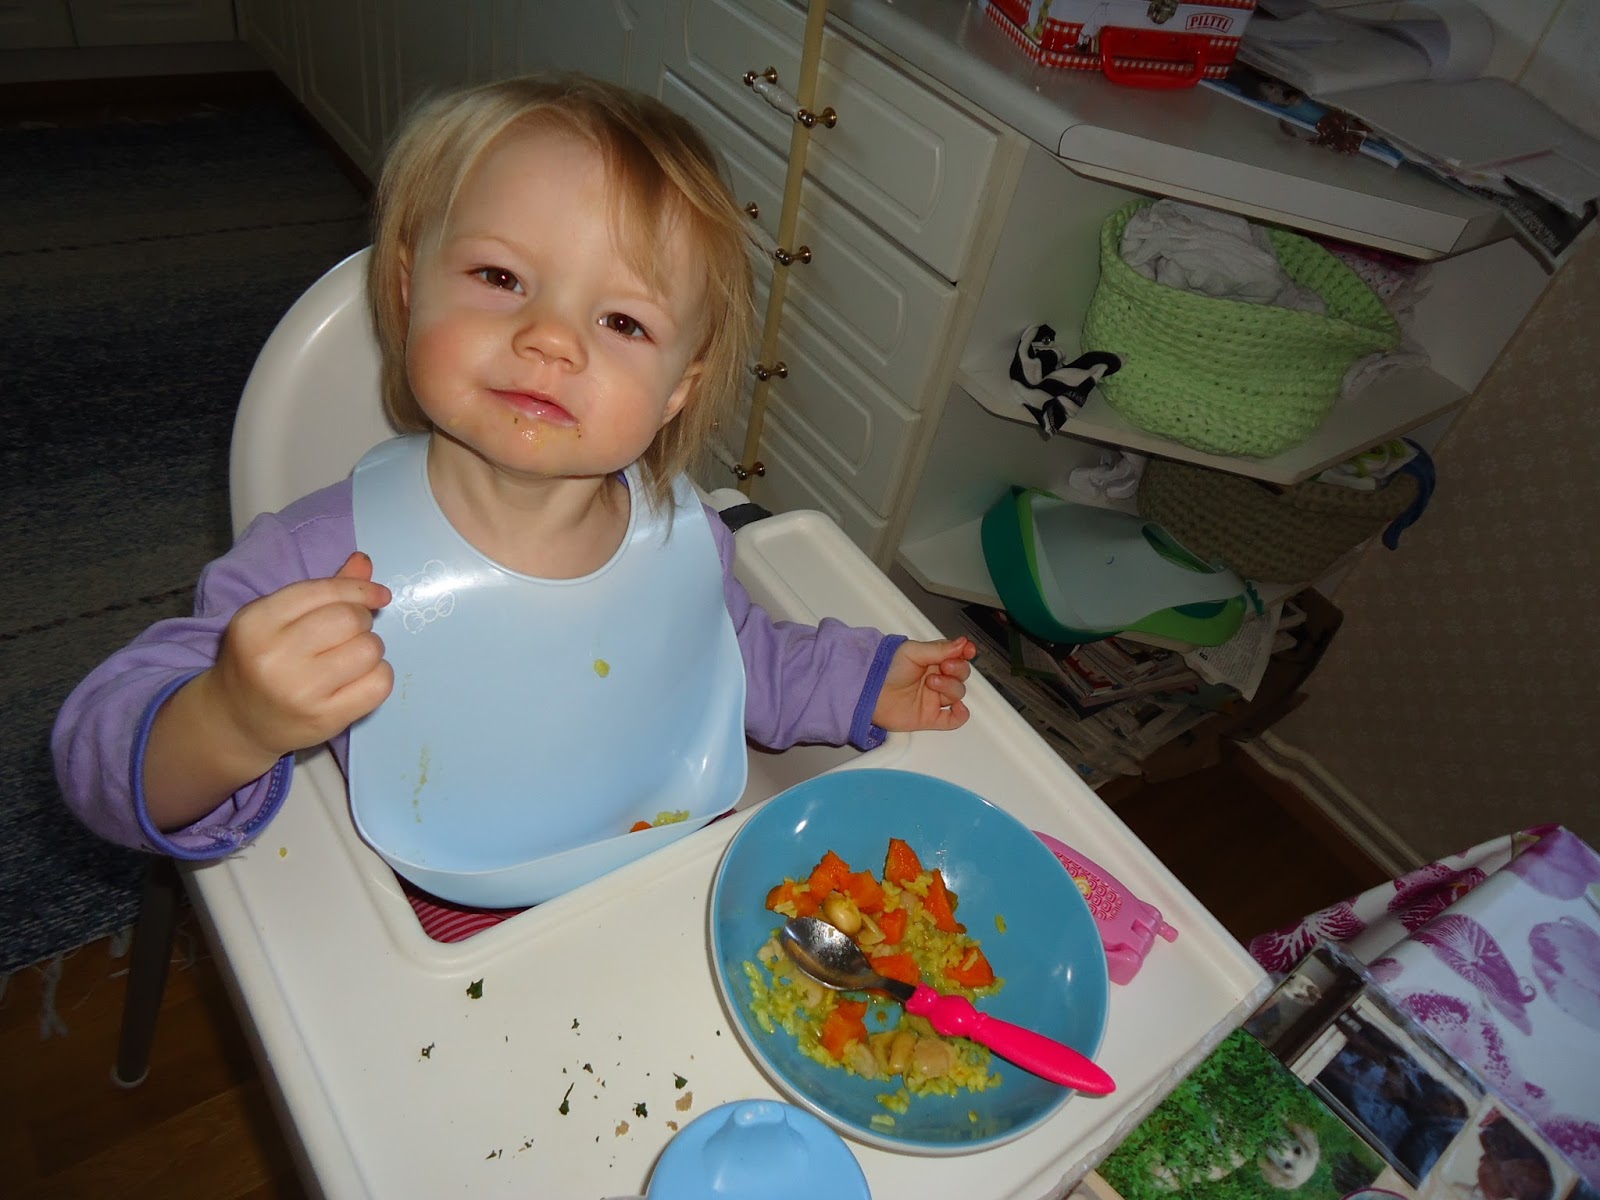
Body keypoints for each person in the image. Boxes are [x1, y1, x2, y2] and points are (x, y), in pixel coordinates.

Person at [52, 74, 975, 936]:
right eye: (501, 279)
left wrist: (866, 680)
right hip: (456, 925)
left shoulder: (684, 539)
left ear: (677, 391)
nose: (549, 340)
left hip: (669, 885)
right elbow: (96, 761)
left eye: (622, 321)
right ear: (409, 291)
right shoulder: (315, 562)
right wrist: (228, 720)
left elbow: (736, 662)